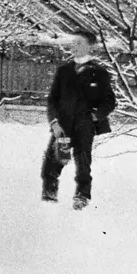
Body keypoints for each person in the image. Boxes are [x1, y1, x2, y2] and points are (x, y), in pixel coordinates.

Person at [42, 30, 116, 210]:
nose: (74, 47)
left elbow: (110, 101)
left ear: (90, 47)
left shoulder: (99, 73)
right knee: (53, 160)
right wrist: (54, 122)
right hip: (63, 125)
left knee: (83, 162)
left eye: (79, 43)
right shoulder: (64, 71)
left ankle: (82, 196)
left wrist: (94, 116)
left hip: (84, 125)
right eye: (73, 43)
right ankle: (49, 195)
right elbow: (53, 99)